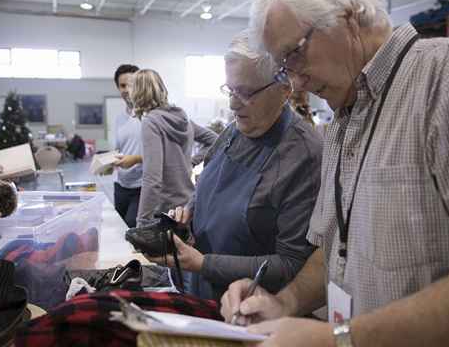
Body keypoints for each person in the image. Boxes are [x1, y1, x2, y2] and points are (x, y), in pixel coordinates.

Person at [221, 0, 449, 347]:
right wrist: (284, 302)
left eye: (294, 55)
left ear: (350, 16)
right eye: (283, 68)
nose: (295, 80)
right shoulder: (346, 112)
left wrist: (340, 339)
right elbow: (337, 248)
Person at [146, 31, 323, 302]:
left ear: (285, 89)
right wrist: (190, 213)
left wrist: (204, 264)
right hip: (198, 291)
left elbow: (292, 265)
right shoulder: (234, 131)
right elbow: (208, 187)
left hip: (247, 309)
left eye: (246, 92)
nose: (232, 103)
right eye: (230, 89)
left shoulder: (303, 155)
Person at [129, 69, 217, 225]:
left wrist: (142, 220)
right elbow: (215, 140)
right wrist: (190, 162)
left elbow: (152, 178)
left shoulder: (151, 122)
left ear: (138, 92)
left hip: (166, 210)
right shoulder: (182, 118)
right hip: (187, 204)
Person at [111, 64, 142, 227]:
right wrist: (108, 163)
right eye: (122, 85)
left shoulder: (150, 115)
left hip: (143, 186)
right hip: (122, 184)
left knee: (132, 226)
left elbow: (162, 153)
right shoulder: (119, 119)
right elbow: (119, 150)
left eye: (131, 84)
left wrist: (136, 159)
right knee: (120, 228)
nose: (127, 89)